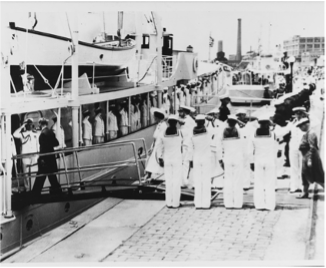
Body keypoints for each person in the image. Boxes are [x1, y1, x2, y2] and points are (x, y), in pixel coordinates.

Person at [250, 115, 278, 211]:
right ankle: (270, 205)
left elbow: (250, 149)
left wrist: (251, 162)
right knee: (270, 183)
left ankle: (259, 205)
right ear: (267, 124)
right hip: (270, 160)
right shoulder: (273, 134)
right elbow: (276, 148)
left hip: (258, 160)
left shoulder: (253, 134)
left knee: (258, 183)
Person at [157, 114, 183, 208]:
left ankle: (169, 203)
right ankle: (176, 203)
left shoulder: (162, 133)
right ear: (176, 123)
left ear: (168, 123)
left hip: (167, 159)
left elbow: (159, 146)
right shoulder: (180, 133)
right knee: (176, 181)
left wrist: (160, 158)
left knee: (168, 181)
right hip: (177, 159)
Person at [296, 118, 326, 199]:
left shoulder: (311, 134)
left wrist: (309, 160)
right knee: (305, 176)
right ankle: (305, 193)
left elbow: (312, 148)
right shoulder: (307, 133)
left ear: (306, 125)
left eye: (300, 126)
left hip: (311, 158)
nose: (300, 128)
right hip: (305, 157)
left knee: (318, 178)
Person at [187, 114, 213, 209]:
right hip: (206, 158)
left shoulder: (191, 132)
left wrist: (190, 160)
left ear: (196, 122)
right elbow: (216, 131)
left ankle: (198, 203)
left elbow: (190, 148)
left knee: (197, 181)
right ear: (204, 122)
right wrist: (211, 120)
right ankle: (206, 203)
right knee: (206, 180)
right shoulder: (209, 131)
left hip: (196, 158)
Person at [32, 118, 62, 195]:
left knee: (41, 176)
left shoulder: (42, 134)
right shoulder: (50, 132)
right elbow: (56, 143)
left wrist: (41, 158)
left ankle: (35, 193)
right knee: (51, 176)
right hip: (51, 158)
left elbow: (42, 148)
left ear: (40, 124)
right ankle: (57, 190)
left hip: (45, 159)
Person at [221, 115, 244, 209]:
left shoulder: (223, 132)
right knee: (237, 181)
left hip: (227, 158)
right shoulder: (239, 131)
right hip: (237, 158)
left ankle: (228, 203)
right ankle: (237, 203)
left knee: (228, 181)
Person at [13, 118, 39, 191]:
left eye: (31, 124)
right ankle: (27, 188)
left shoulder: (35, 134)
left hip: (34, 154)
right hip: (25, 155)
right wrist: (22, 126)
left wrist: (38, 155)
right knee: (26, 173)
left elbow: (38, 144)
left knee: (34, 171)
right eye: (28, 124)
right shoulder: (23, 134)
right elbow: (14, 134)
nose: (29, 126)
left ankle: (34, 187)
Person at [288, 107, 307, 194]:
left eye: (299, 113)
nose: (298, 115)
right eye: (296, 113)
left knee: (302, 168)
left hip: (302, 146)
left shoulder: (306, 121)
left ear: (303, 113)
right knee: (294, 167)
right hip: (293, 146)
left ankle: (302, 186)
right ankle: (294, 186)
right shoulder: (293, 122)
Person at [144, 108, 167, 181]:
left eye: (155, 117)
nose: (154, 118)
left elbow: (163, 139)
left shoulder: (163, 126)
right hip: (155, 146)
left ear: (157, 117)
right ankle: (150, 176)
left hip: (159, 147)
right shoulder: (159, 125)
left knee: (155, 162)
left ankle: (155, 177)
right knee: (150, 160)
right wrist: (152, 147)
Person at [178, 105, 196, 188]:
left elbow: (183, 132)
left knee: (185, 163)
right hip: (186, 144)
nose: (179, 113)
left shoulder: (188, 120)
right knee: (186, 163)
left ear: (185, 112)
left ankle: (184, 181)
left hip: (187, 145)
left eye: (181, 111)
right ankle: (184, 180)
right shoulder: (187, 120)